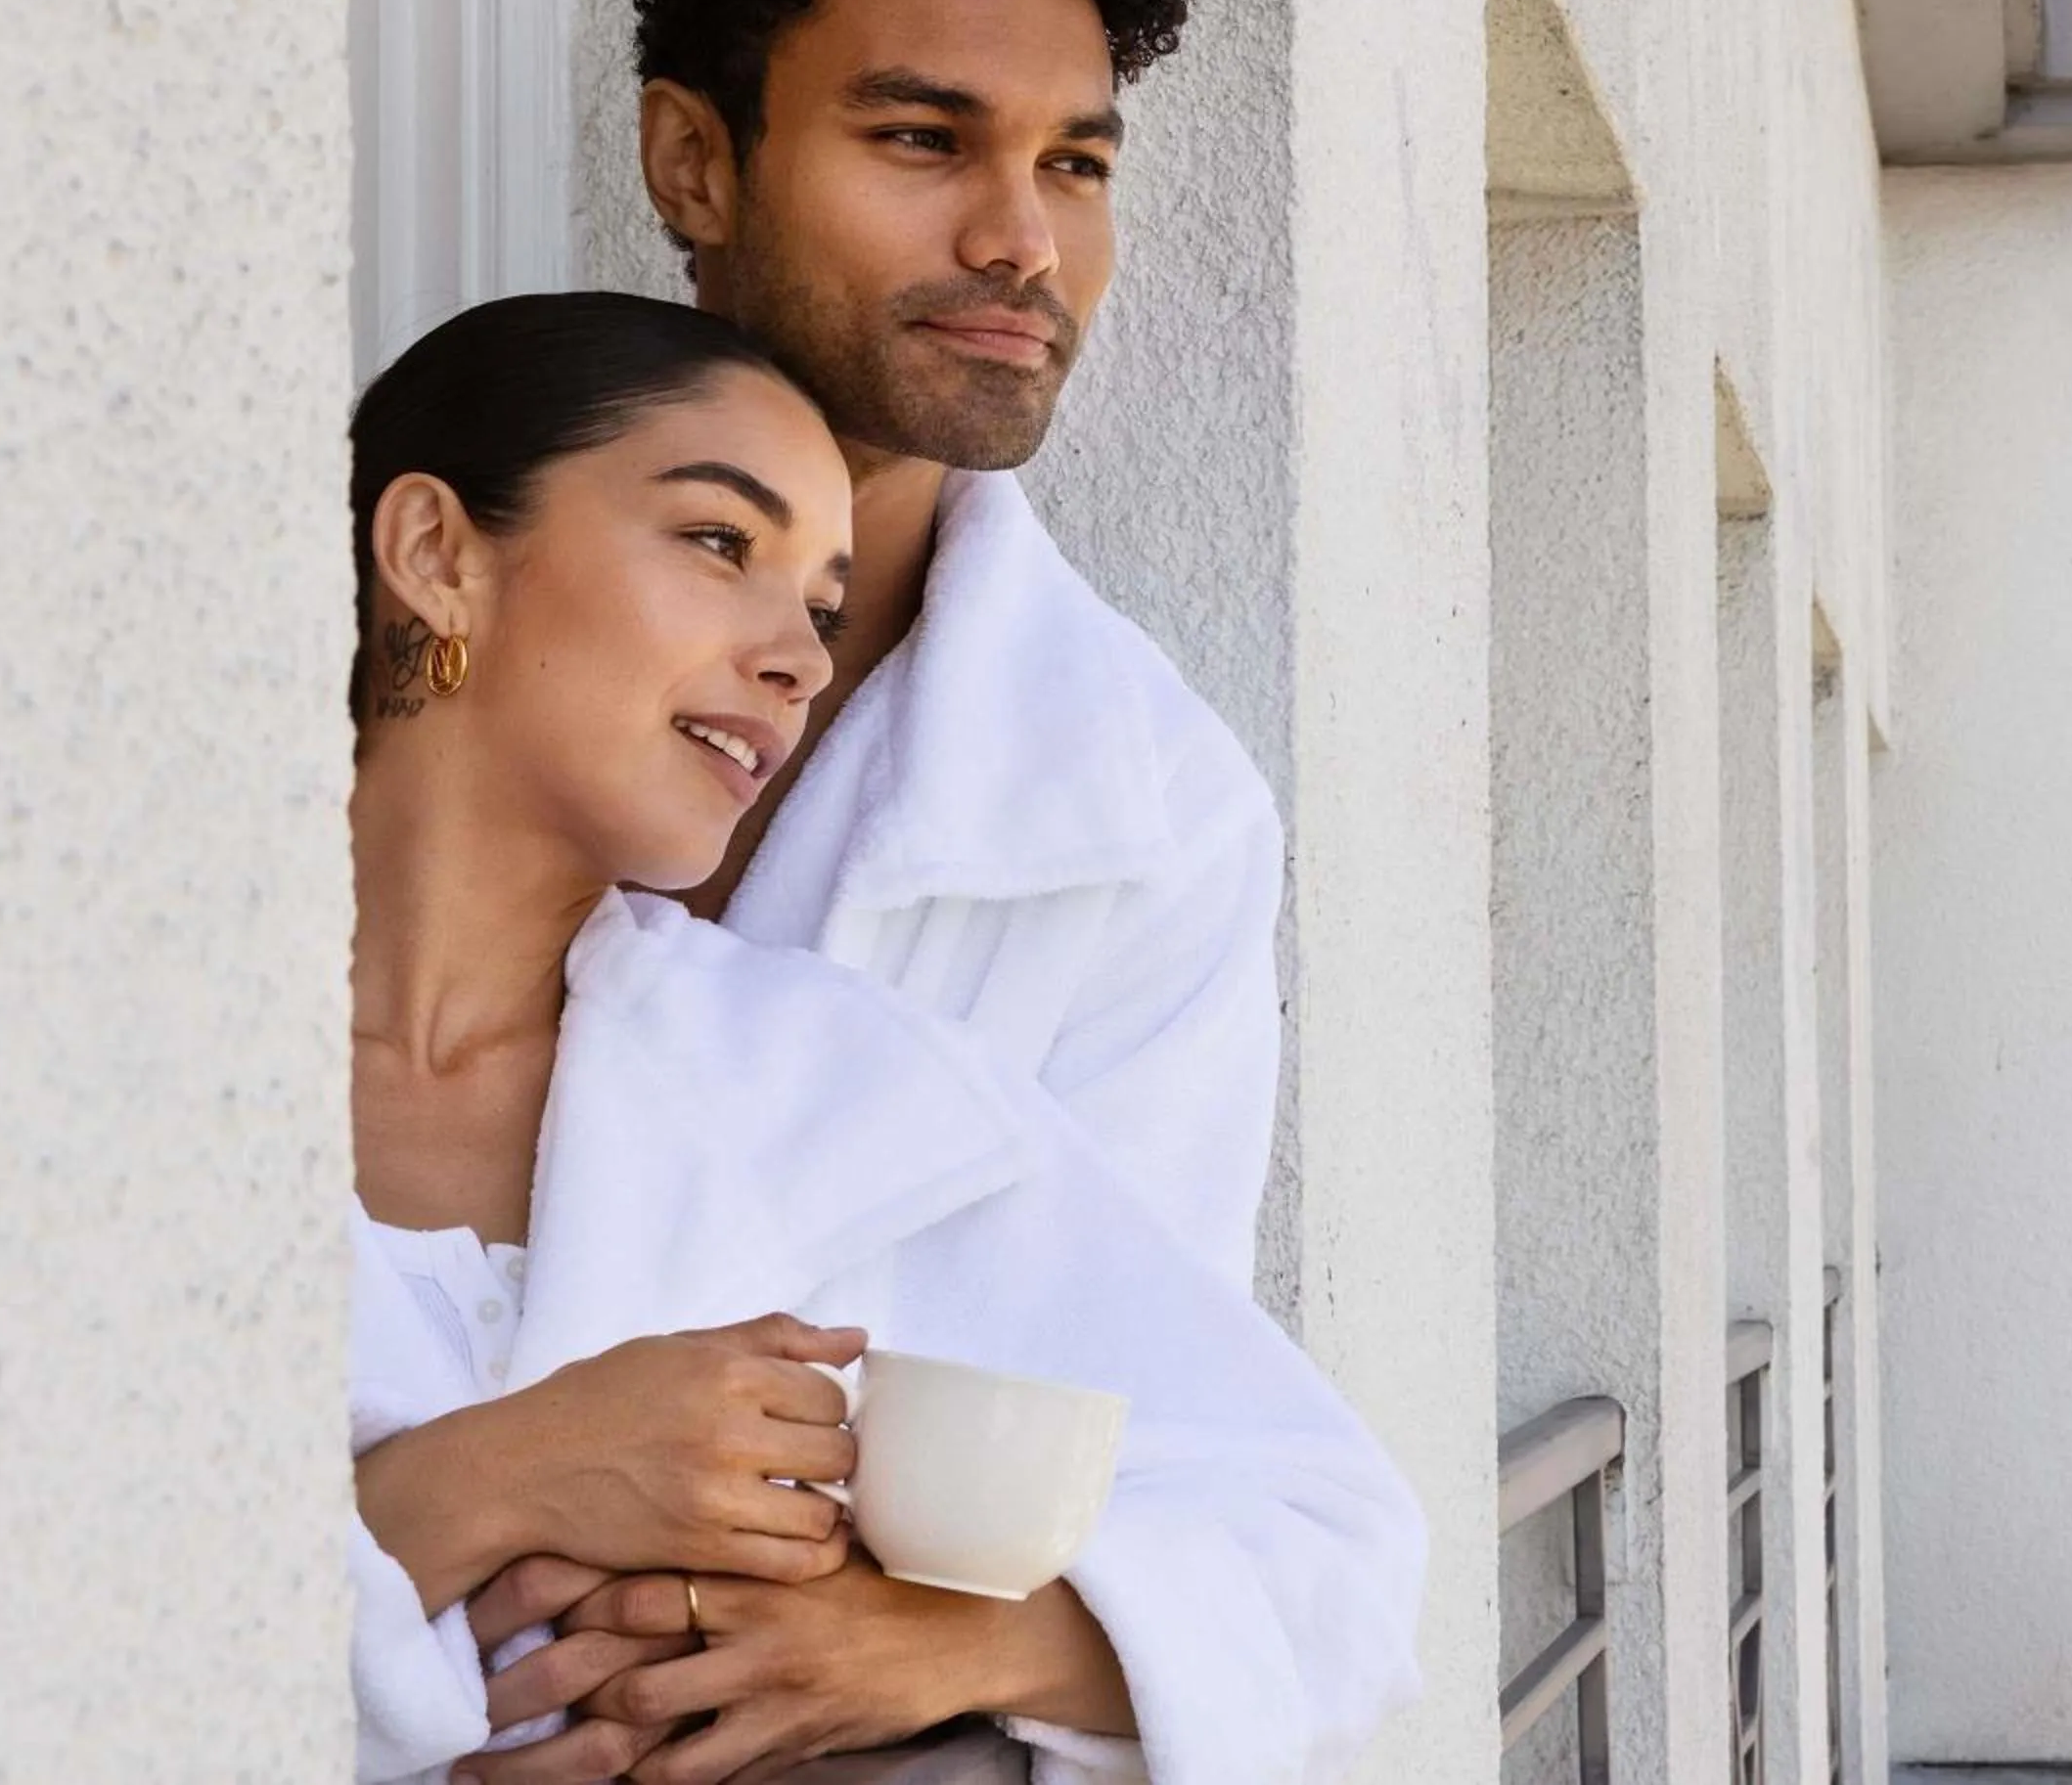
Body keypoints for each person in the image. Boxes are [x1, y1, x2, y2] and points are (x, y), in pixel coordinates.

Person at [343, 293, 1421, 1785]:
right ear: (435, 555)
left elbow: (1332, 1555)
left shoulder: (842, 1089)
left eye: (823, 607)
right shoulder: (92, 1067)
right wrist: (485, 1477)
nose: (793, 656)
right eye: (721, 545)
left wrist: (960, 1644)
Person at [622, 0, 1277, 1292]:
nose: (1022, 242)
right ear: (694, 163)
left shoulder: (1154, 819)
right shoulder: (421, 615)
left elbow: (1127, 1435)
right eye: (925, 137)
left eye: (1075, 164)